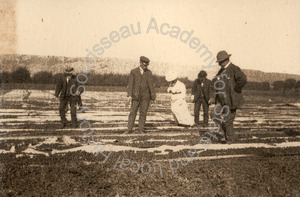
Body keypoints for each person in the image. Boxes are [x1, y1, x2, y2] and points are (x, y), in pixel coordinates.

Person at [211, 50, 247, 143]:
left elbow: (242, 79)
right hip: (220, 101)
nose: (219, 64)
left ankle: (231, 140)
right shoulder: (220, 71)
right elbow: (214, 81)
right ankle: (228, 135)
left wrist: (235, 90)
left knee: (228, 121)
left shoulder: (234, 69)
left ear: (226, 59)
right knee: (214, 115)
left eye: (220, 62)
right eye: (219, 62)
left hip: (231, 101)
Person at [124, 56, 156, 134]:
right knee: (132, 112)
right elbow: (130, 84)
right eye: (144, 65)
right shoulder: (133, 72)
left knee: (143, 113)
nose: (146, 67)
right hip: (135, 96)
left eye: (147, 65)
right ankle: (129, 129)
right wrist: (129, 95)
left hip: (145, 97)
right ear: (140, 63)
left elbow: (151, 85)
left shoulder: (149, 73)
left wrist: (153, 97)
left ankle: (140, 130)